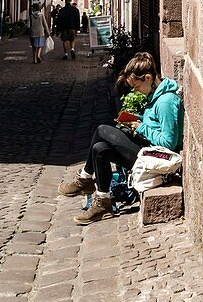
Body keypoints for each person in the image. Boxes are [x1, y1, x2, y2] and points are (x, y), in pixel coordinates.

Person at [58, 51, 183, 225]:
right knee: (99, 149)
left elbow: (169, 143)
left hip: (155, 158)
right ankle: (103, 202)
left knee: (102, 130)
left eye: (137, 87)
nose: (136, 91)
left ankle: (84, 179)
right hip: (147, 148)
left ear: (148, 78)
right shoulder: (155, 97)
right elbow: (156, 126)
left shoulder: (165, 102)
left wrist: (141, 127)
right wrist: (138, 119)